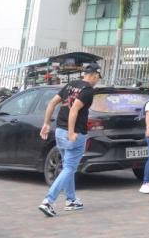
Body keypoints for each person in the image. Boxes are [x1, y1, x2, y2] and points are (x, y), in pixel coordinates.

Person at [38, 64, 101, 217]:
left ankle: (71, 200)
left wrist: (46, 124)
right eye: (98, 77)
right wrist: (72, 133)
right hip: (74, 134)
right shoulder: (87, 91)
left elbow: (52, 103)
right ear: (93, 75)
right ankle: (48, 201)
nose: (97, 81)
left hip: (59, 131)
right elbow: (74, 110)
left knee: (68, 167)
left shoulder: (71, 85)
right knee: (69, 168)